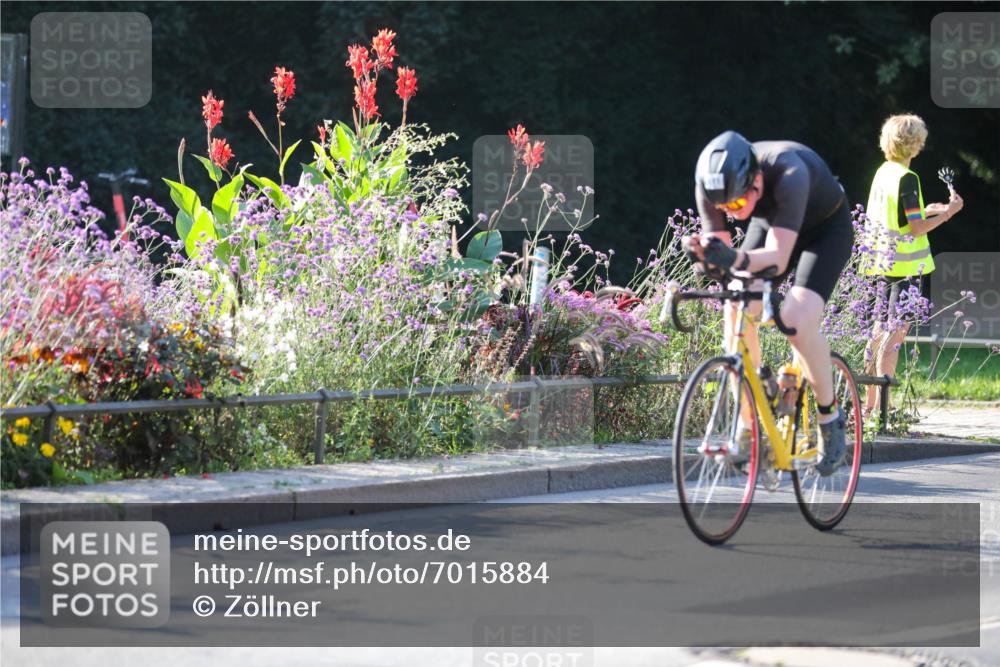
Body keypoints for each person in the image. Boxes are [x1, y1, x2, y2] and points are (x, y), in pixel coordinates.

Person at [684, 131, 853, 476]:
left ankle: (829, 417)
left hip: (824, 231)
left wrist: (731, 257)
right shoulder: (712, 187)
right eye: (725, 208)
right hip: (774, 221)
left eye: (737, 202)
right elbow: (722, 264)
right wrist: (704, 258)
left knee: (795, 318)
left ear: (756, 180)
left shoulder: (790, 173)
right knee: (736, 306)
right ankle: (749, 426)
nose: (733, 211)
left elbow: (776, 259)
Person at [861, 114, 963, 416]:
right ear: (915, 144)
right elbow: (915, 229)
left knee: (878, 334)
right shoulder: (908, 178)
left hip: (878, 264)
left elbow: (904, 216)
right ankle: (883, 410)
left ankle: (867, 407)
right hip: (905, 269)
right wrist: (948, 214)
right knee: (894, 338)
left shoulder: (883, 172)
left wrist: (928, 209)